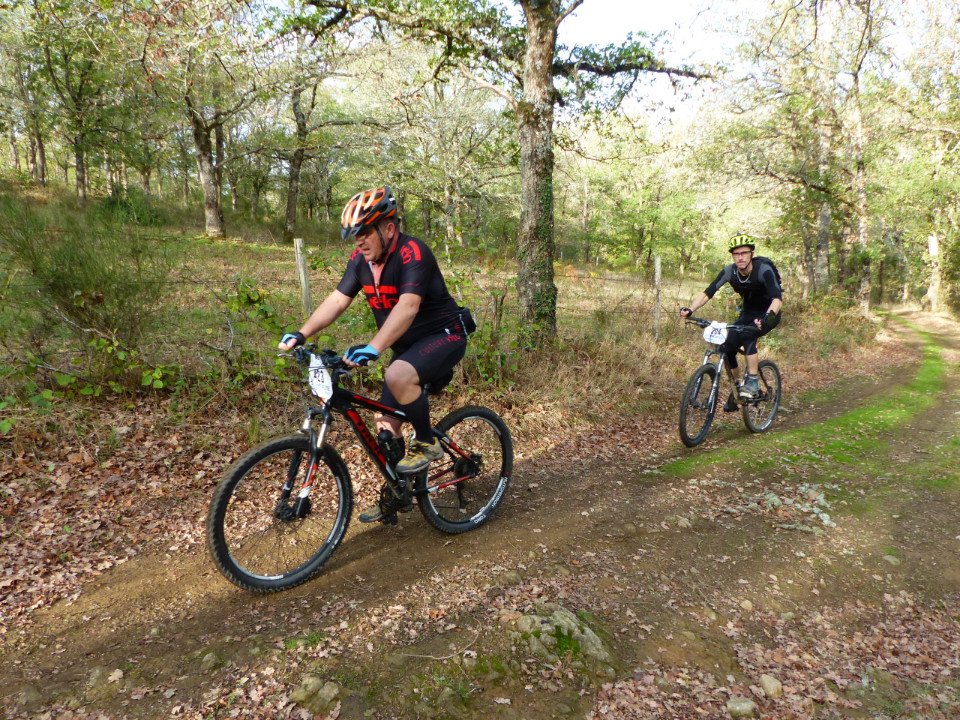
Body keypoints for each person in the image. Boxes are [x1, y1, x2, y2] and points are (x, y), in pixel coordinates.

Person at [278, 186, 469, 522]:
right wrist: (303, 333)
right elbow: (338, 300)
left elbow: (408, 307)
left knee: (397, 375)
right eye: (355, 235)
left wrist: (373, 347)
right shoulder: (361, 261)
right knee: (384, 424)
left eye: (365, 233)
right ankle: (399, 494)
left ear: (389, 229)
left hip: (444, 335)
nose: (359, 241)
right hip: (408, 347)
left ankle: (427, 442)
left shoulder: (413, 253)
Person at [679, 234, 782, 408]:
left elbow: (777, 299)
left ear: (751, 254)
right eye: (736, 254)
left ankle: (753, 381)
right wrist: (691, 309)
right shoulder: (730, 272)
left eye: (744, 253)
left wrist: (767, 317)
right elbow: (708, 293)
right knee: (726, 346)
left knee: (748, 335)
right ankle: (738, 388)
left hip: (769, 312)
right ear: (732, 256)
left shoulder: (763, 270)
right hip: (748, 313)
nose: (740, 257)